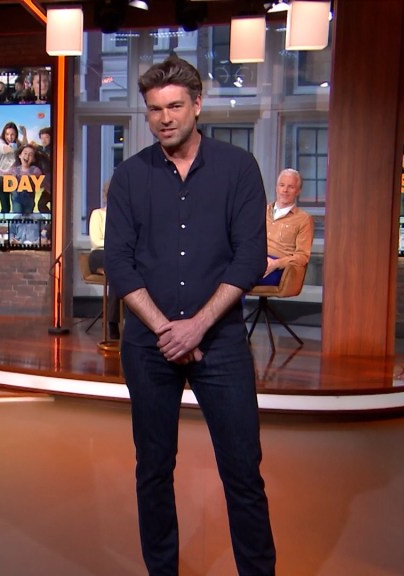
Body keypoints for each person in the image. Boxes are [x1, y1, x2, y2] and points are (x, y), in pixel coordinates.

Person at [105, 56, 275, 575]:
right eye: (155, 109)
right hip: (149, 346)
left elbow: (250, 257)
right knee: (153, 471)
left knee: (243, 472)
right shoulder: (129, 177)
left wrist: (197, 326)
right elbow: (118, 263)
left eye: (175, 106)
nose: (165, 118)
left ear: (197, 105)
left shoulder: (238, 168)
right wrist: (166, 329)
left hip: (220, 342)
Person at [260, 169, 313, 287]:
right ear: (276, 187)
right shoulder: (261, 211)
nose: (285, 190)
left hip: (278, 268)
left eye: (291, 187)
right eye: (282, 185)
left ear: (298, 191)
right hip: (255, 259)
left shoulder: (304, 219)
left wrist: (276, 263)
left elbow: (302, 256)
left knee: (239, 278)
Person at [87, 181, 120, 339]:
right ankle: (113, 323)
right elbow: (96, 241)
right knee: (117, 267)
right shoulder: (97, 214)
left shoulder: (124, 217)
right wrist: (117, 244)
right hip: (100, 254)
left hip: (117, 256)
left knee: (119, 272)